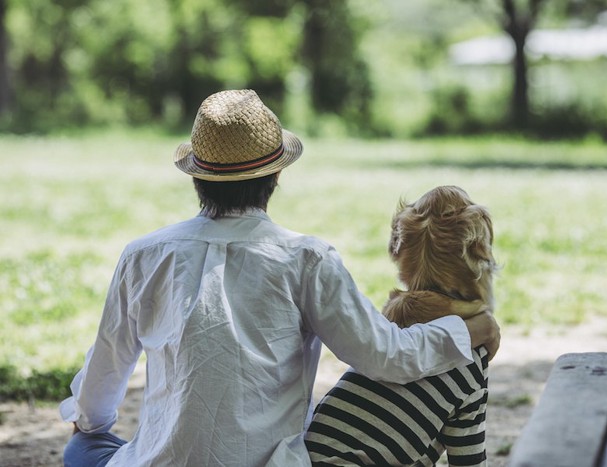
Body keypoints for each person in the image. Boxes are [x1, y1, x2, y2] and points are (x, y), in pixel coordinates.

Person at [60, 89, 501, 467]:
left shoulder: (142, 255)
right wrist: (468, 330)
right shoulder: (307, 258)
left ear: (198, 178)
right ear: (275, 174)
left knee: (84, 446)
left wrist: (88, 421)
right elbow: (384, 355)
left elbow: (106, 371)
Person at [305, 186, 497, 466]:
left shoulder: (386, 331)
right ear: (479, 250)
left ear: (400, 248)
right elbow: (467, 460)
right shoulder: (466, 351)